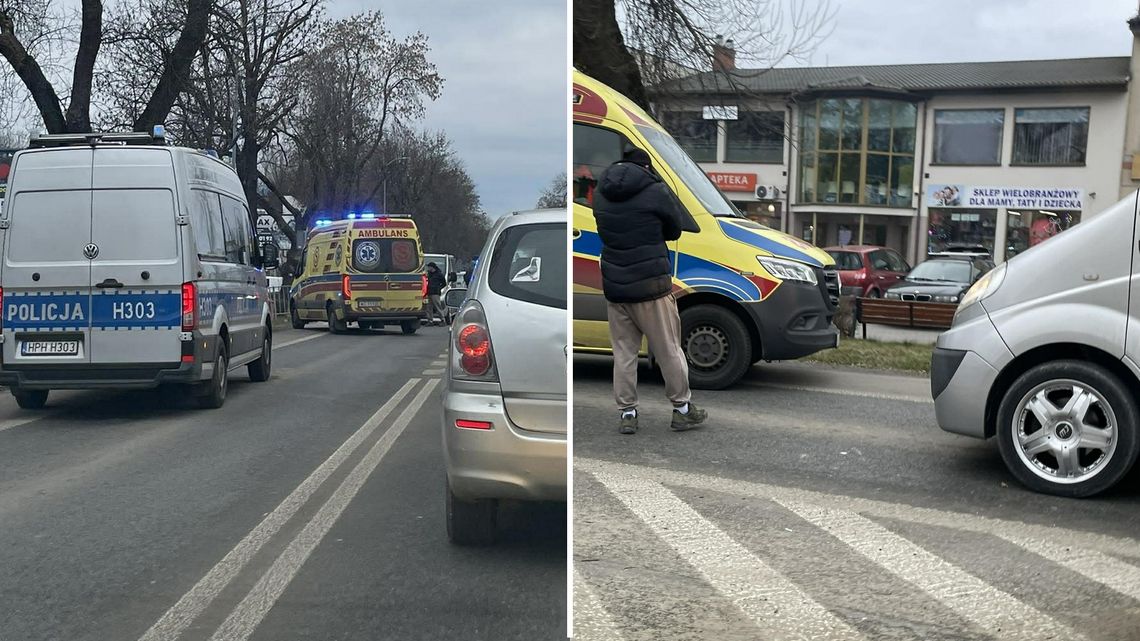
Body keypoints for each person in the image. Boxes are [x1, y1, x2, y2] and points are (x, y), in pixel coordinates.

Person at [593, 148, 707, 434]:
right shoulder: (655, 190)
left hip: (616, 288)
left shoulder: (602, 193)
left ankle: (627, 414)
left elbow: (605, 230)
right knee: (668, 348)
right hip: (651, 287)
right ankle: (682, 410)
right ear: (646, 166)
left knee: (624, 353)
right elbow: (674, 229)